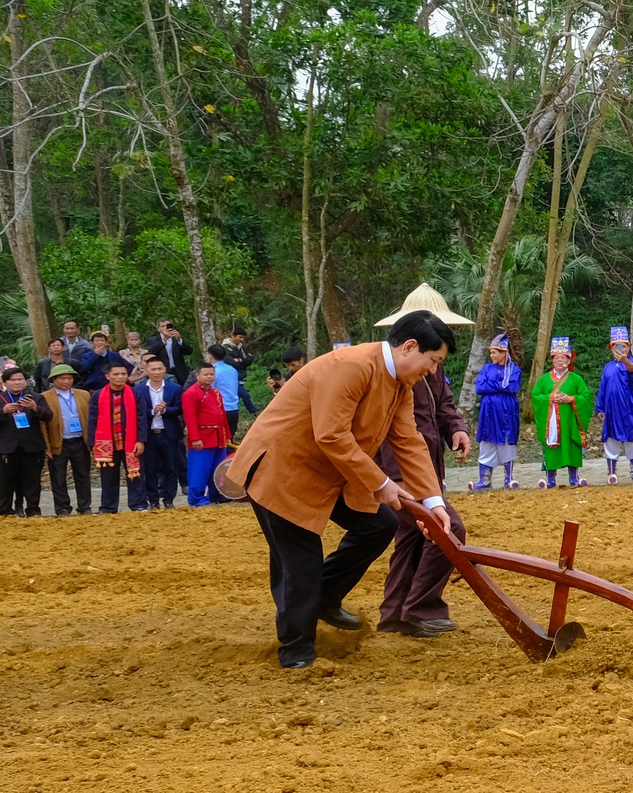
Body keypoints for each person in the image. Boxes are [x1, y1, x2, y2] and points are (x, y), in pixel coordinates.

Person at [222, 310, 454, 667]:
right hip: (282, 470)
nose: (433, 371)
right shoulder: (351, 366)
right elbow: (330, 434)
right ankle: (296, 652)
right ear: (410, 347)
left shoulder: (401, 386)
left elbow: (410, 441)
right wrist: (381, 483)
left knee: (380, 525)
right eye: (433, 360)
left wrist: (433, 500)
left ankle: (325, 596)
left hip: (331, 473)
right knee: (300, 562)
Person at [372, 286, 474, 638]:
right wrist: (396, 478)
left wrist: (456, 429)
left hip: (428, 467)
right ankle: (421, 608)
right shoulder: (390, 373)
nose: (434, 366)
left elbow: (443, 405)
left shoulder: (432, 367)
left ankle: (395, 614)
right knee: (447, 529)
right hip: (400, 470)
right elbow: (390, 431)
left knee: (412, 538)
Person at [530, 338, 592, 489]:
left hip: (570, 418)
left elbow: (586, 396)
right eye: (556, 358)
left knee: (571, 444)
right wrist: (551, 398)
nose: (559, 360)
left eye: (563, 357)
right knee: (552, 445)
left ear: (569, 359)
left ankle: (573, 476)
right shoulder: (544, 379)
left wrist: (571, 399)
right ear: (552, 360)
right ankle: (550, 477)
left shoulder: (576, 379)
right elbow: (535, 396)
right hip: (551, 419)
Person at [34, 362, 94, 514]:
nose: (66, 381)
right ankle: (62, 508)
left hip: (80, 441)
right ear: (54, 380)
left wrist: (91, 442)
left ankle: (84, 506)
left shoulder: (84, 394)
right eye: (62, 378)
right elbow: (42, 424)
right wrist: (46, 446)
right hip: (58, 442)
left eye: (69, 378)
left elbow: (91, 418)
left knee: (82, 475)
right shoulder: (44, 397)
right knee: (58, 477)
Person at [0, 366, 49, 514]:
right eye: (13, 380)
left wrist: (35, 408)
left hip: (32, 447)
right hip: (5, 448)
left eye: (20, 379)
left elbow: (49, 416)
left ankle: (33, 510)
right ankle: (5, 512)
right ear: (5, 382)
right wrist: (2, 411)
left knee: (33, 482)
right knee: (4, 482)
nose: (17, 383)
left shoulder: (36, 397)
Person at [596, 327, 633, 483]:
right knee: (611, 439)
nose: (620, 349)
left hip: (630, 409)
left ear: (629, 347)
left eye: (623, 346)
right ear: (611, 348)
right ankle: (612, 471)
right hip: (612, 409)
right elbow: (603, 388)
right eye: (616, 346)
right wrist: (600, 408)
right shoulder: (608, 367)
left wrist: (625, 360)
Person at [88, 359, 144, 513]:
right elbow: (92, 419)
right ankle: (108, 507)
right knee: (108, 477)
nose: (120, 377)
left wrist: (141, 440)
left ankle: (138, 504)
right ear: (108, 376)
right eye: (116, 374)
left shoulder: (135, 393)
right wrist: (92, 443)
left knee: (135, 474)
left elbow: (141, 419)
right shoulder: (98, 395)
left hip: (130, 441)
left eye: (123, 374)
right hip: (107, 443)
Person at [178, 357, 232, 507]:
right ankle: (196, 498)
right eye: (206, 374)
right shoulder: (190, 393)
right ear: (197, 376)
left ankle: (216, 494)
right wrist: (195, 438)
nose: (209, 377)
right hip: (202, 438)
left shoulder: (216, 393)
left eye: (211, 374)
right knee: (199, 469)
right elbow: (190, 418)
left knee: (218, 468)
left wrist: (227, 435)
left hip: (218, 436)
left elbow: (222, 415)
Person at [472, 335, 524, 489]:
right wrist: (500, 384)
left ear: (504, 352)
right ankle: (485, 481)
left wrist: (492, 384)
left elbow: (511, 387)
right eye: (491, 353)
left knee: (507, 442)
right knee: (487, 442)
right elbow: (480, 387)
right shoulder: (487, 368)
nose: (492, 355)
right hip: (488, 413)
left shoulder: (514, 370)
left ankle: (509, 479)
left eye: (494, 352)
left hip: (507, 412)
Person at [134, 355, 184, 511]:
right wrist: (152, 411)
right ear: (146, 371)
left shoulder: (174, 388)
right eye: (153, 369)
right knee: (150, 469)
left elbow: (179, 409)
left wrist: (166, 410)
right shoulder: (139, 390)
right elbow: (137, 412)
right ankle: (153, 501)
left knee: (171, 468)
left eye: (159, 369)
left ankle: (169, 499)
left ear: (165, 370)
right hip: (148, 435)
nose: (157, 372)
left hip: (168, 433)